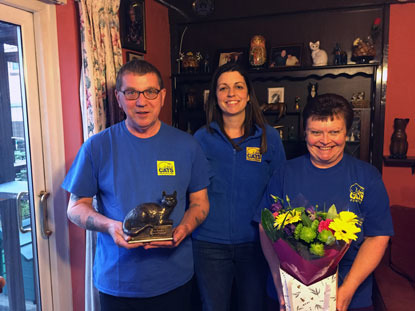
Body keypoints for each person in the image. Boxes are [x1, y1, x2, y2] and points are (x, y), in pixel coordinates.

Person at [62, 60, 210, 311]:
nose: (142, 101)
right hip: (118, 283)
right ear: (119, 98)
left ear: (162, 96)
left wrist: (183, 229)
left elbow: (200, 202)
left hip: (174, 279)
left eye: (150, 91)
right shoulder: (97, 147)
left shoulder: (188, 146)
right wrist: (109, 225)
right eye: (131, 93)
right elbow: (75, 207)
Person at [258, 93, 394, 311]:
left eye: (334, 132)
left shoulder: (367, 177)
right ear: (305, 133)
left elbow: (378, 236)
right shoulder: (284, 173)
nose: (325, 140)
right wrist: (277, 280)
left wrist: (347, 290)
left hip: (350, 295)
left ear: (346, 132)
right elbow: (266, 228)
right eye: (316, 132)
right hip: (289, 294)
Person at [192, 62, 286, 311]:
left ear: (247, 95)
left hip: (256, 244)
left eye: (237, 87)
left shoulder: (269, 137)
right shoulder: (201, 138)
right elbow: (189, 189)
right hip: (209, 244)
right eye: (223, 88)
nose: (231, 93)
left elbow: (280, 190)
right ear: (215, 96)